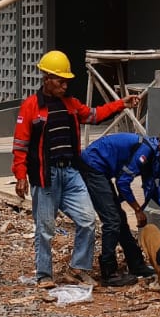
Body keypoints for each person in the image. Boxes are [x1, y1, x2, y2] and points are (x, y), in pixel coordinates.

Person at [12, 50, 133, 283]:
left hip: (70, 173)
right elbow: (20, 145)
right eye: (60, 81)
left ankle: (78, 268)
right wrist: (20, 175)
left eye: (66, 81)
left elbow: (94, 115)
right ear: (47, 79)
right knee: (45, 229)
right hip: (46, 176)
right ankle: (44, 275)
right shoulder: (31, 107)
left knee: (87, 220)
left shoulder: (71, 104)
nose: (65, 85)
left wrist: (121, 104)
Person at [78, 128, 160, 285]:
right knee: (112, 220)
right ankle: (109, 273)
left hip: (102, 169)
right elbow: (123, 183)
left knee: (120, 219)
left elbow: (154, 191)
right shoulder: (145, 152)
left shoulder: (153, 156)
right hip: (93, 165)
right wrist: (137, 210)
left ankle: (136, 264)